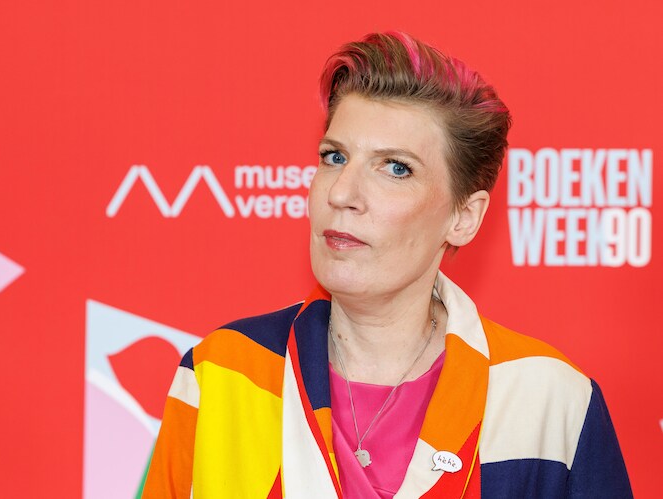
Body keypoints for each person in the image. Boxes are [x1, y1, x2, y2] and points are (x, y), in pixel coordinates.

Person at [142, 32, 632, 498]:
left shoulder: (550, 399)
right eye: (334, 157)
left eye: (396, 168)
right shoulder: (223, 373)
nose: (341, 193)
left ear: (463, 217)